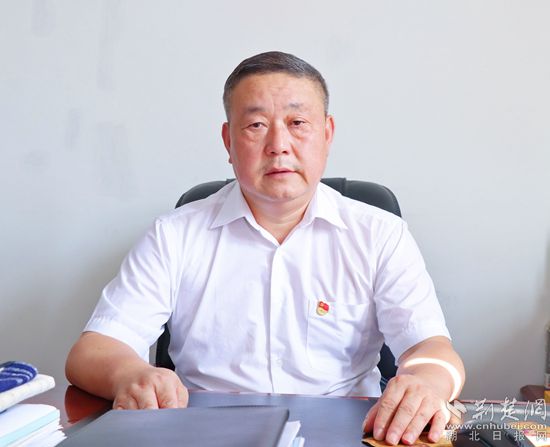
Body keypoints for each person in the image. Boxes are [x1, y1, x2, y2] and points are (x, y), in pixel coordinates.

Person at [66, 51, 465, 445]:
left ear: (327, 134)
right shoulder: (173, 235)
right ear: (228, 141)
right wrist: (129, 374)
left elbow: (431, 348)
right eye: (256, 125)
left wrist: (427, 382)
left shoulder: (379, 234)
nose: (279, 145)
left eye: (297, 123)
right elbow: (94, 350)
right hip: (205, 435)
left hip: (347, 433)